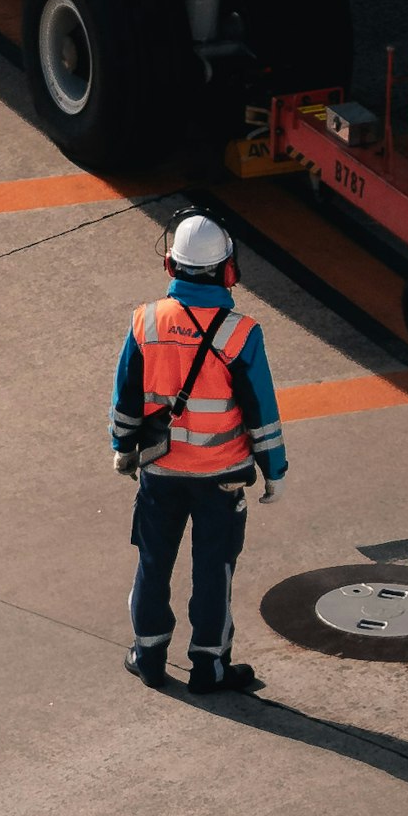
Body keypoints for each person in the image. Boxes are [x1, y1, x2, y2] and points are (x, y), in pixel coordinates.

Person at [112, 214, 287, 692]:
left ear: (171, 265)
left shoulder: (145, 321)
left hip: (161, 474)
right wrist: (274, 470)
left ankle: (148, 656)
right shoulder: (242, 333)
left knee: (153, 563)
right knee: (215, 571)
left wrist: (123, 448)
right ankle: (208, 668)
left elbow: (126, 395)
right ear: (228, 270)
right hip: (222, 478)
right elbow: (262, 412)